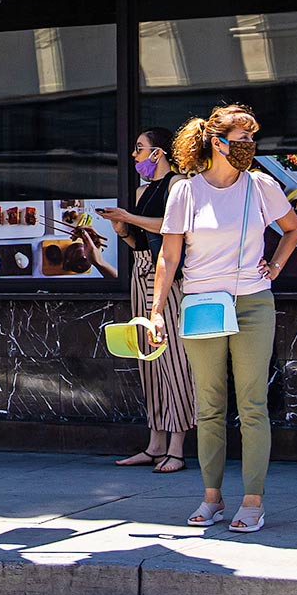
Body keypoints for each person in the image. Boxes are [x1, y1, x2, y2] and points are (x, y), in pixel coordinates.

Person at [148, 104, 297, 533]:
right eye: (241, 140)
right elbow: (169, 255)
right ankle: (211, 497)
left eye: (252, 140)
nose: (248, 148)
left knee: (252, 404)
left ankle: (253, 500)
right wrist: (156, 311)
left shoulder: (261, 186)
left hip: (252, 302)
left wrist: (274, 266)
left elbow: (292, 229)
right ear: (217, 142)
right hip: (201, 304)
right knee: (210, 406)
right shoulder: (186, 191)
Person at [97, 128, 197, 474]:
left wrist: (128, 217)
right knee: (147, 358)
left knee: (172, 359)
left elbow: (171, 229)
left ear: (159, 153)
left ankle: (177, 446)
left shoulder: (177, 185)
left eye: (140, 149)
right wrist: (122, 229)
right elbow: (140, 240)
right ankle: (155, 442)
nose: (135, 155)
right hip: (142, 271)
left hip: (166, 275)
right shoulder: (143, 190)